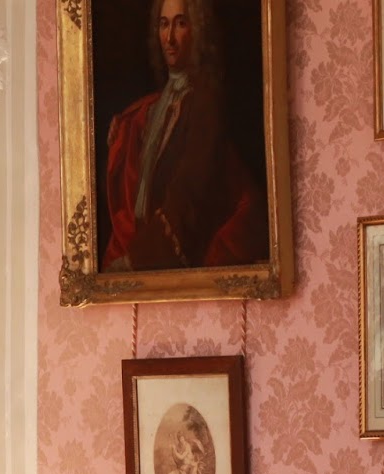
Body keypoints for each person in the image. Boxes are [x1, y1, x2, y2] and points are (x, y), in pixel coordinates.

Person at [101, 0, 268, 272]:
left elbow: (188, 191)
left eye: (180, 24)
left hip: (180, 254)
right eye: (164, 24)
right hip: (144, 247)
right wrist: (123, 134)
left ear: (197, 30)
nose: (169, 38)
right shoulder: (155, 108)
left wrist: (136, 260)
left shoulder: (205, 104)